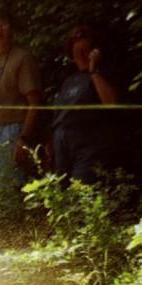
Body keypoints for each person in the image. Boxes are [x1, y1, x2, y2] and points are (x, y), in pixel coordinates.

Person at [0, 7, 42, 189]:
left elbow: (34, 102)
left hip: (12, 130)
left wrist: (24, 139)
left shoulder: (22, 58)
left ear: (11, 29)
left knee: (8, 188)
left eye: (3, 25)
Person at [50, 24, 121, 184]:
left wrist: (93, 69)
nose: (81, 55)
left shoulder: (103, 74)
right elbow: (58, 115)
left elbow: (111, 103)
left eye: (85, 51)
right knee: (61, 193)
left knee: (81, 190)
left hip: (89, 144)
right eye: (76, 52)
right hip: (63, 145)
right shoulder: (68, 80)